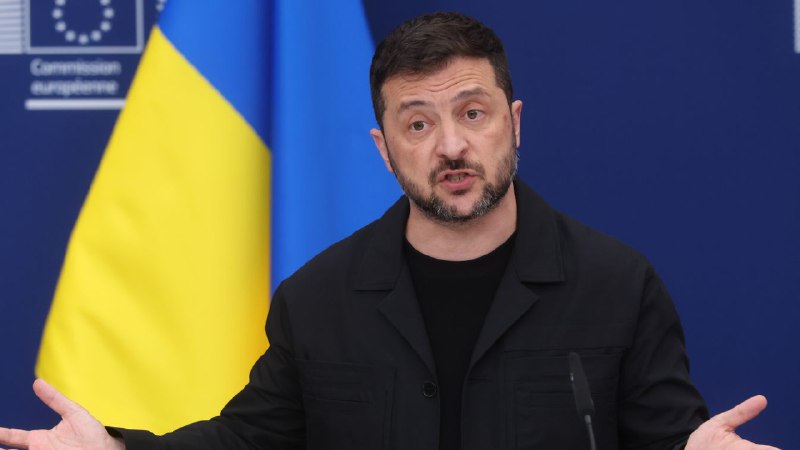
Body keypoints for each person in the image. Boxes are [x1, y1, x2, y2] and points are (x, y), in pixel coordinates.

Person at [0, 12, 779, 450]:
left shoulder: (617, 285)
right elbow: (246, 444)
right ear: (383, 149)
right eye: (418, 123)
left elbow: (670, 438)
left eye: (472, 113)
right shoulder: (319, 298)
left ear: (513, 124)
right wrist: (119, 449)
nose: (450, 146)